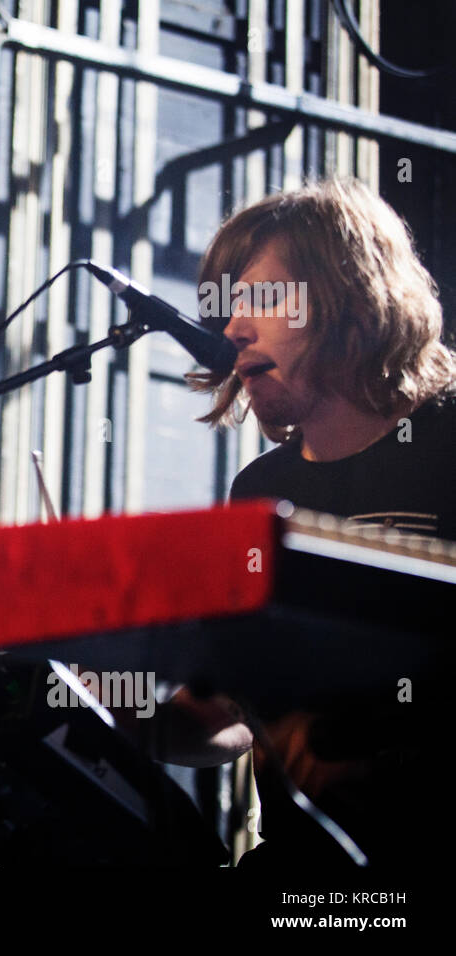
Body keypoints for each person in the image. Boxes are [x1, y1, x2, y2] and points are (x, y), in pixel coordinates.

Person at [188, 179, 456, 866]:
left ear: (351, 298)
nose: (233, 328)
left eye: (262, 301)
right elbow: (232, 720)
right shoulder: (260, 491)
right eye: (228, 307)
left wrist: (370, 738)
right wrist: (133, 717)